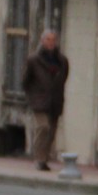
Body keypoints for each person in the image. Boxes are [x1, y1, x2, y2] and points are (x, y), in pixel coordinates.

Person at [22, 30, 69, 171]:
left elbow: (63, 78)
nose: (51, 42)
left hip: (55, 101)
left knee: (51, 131)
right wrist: (33, 95)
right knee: (43, 127)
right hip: (39, 101)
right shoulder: (33, 60)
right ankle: (39, 158)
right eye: (48, 39)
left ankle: (44, 159)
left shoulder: (62, 61)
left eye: (53, 40)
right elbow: (25, 81)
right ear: (42, 41)